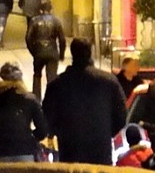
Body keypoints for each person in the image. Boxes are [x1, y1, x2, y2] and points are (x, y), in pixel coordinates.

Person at [42, 37, 128, 165]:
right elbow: (122, 115)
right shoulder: (109, 82)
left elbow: (47, 117)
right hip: (100, 150)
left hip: (70, 151)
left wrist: (59, 132)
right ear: (90, 52)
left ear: (72, 53)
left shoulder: (57, 84)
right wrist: (107, 131)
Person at [0, 61, 50, 162]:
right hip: (25, 150)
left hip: (1, 151)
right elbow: (43, 129)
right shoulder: (29, 100)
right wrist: (29, 138)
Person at [25, 5, 66, 99]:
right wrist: (61, 54)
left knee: (37, 75)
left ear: (40, 10)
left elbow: (28, 38)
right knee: (52, 77)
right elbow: (62, 39)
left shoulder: (34, 20)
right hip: (52, 52)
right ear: (51, 10)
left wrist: (33, 51)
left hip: (38, 52)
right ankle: (52, 98)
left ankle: (36, 98)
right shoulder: (56, 21)